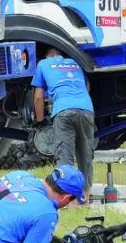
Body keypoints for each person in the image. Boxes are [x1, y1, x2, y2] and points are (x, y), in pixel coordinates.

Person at [32, 48, 96, 193]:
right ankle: (85, 196)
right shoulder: (74, 62)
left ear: (47, 55)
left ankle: (68, 198)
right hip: (86, 109)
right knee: (86, 156)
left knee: (65, 158)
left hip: (63, 111)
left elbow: (38, 98)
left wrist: (40, 121)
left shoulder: (43, 64)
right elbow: (87, 86)